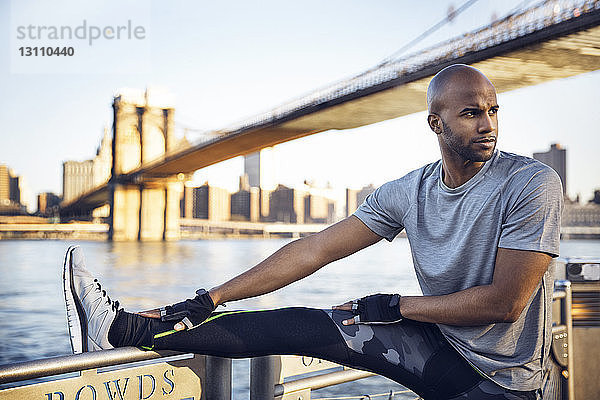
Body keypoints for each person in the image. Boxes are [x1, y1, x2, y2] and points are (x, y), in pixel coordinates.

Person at [63, 64, 562, 400]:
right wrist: (211, 295)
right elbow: (315, 250)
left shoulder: (530, 183)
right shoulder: (409, 191)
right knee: (302, 322)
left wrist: (396, 306)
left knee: (334, 323)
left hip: (500, 382)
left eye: (493, 110)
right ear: (436, 122)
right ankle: (123, 331)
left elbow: (505, 303)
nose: (488, 123)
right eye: (472, 112)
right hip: (443, 346)